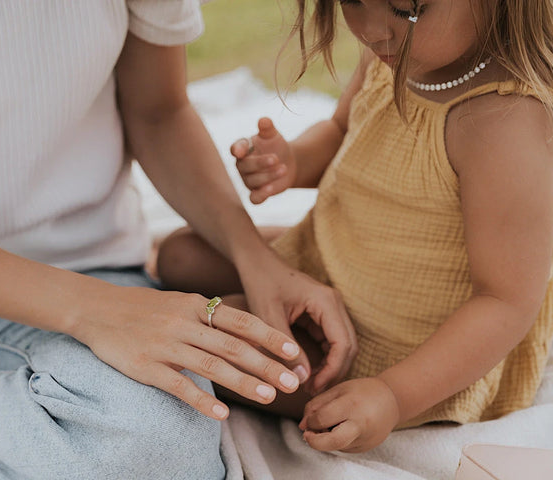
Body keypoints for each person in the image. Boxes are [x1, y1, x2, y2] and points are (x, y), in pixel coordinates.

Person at [0, 1, 360, 479]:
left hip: (82, 266)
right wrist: (99, 314)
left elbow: (159, 111)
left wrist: (257, 263)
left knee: (165, 440)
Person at [157, 0, 553, 454]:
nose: (369, 29)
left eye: (405, 8)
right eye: (352, 2)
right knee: (180, 255)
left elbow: (506, 301)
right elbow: (343, 130)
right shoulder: (394, 53)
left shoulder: (502, 124)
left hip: (398, 347)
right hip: (329, 260)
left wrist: (392, 394)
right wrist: (291, 163)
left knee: (205, 338)